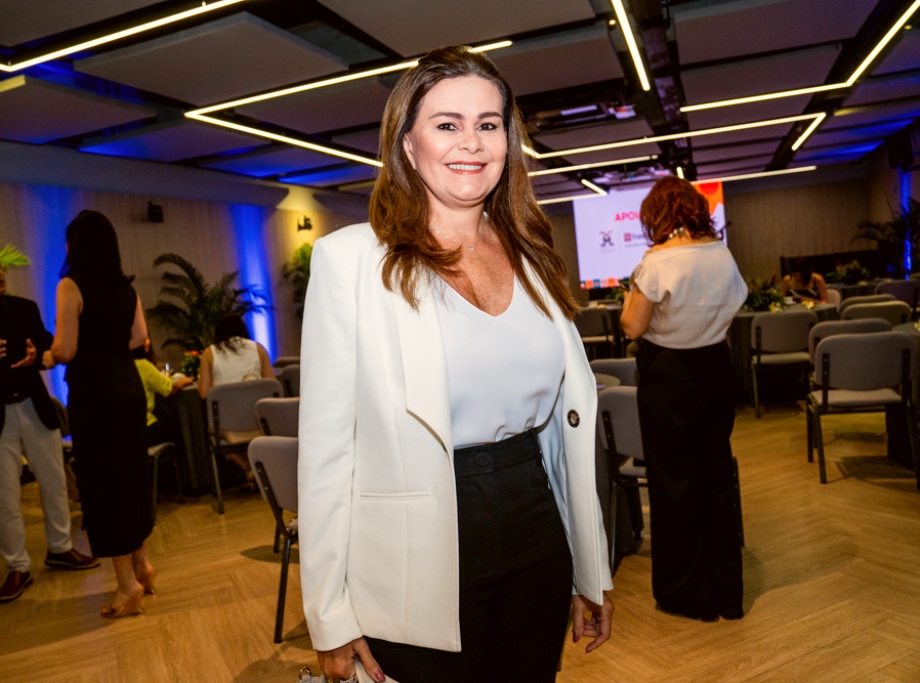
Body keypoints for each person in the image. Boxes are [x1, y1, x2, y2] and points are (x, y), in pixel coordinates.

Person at [298, 46, 614, 683]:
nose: (471, 142)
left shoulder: (532, 255)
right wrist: (330, 613)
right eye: (447, 124)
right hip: (412, 553)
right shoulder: (350, 261)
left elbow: (562, 435)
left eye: (488, 124)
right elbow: (327, 452)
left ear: (508, 142)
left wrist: (589, 569)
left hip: (535, 525)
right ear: (407, 145)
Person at [620, 176, 747, 621]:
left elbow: (632, 326)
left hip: (669, 377)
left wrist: (633, 287)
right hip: (715, 370)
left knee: (674, 483)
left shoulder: (656, 262)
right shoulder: (722, 254)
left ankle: (688, 594)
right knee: (716, 477)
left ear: (656, 215)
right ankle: (728, 593)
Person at [44, 210, 155, 619]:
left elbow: (66, 349)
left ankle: (127, 585)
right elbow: (139, 337)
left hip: (95, 395)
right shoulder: (127, 288)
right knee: (130, 479)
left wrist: (46, 355)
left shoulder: (70, 285)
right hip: (128, 388)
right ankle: (143, 566)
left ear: (77, 245)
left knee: (104, 487)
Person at [0, 267, 98, 603]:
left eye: (1, 271)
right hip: (0, 418)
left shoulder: (25, 307)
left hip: (35, 407)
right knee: (5, 497)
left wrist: (37, 357)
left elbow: (49, 350)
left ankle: (60, 548)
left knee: (55, 482)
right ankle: (17, 567)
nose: (0, 275)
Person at [196, 313, 274, 399]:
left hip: (225, 405)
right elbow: (272, 385)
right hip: (256, 404)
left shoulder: (209, 353)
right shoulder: (258, 348)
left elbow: (204, 392)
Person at [132, 338, 193, 446]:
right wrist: (184, 380)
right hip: (146, 426)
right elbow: (170, 388)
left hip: (128, 432)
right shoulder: (141, 365)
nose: (148, 342)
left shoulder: (120, 368)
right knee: (177, 428)